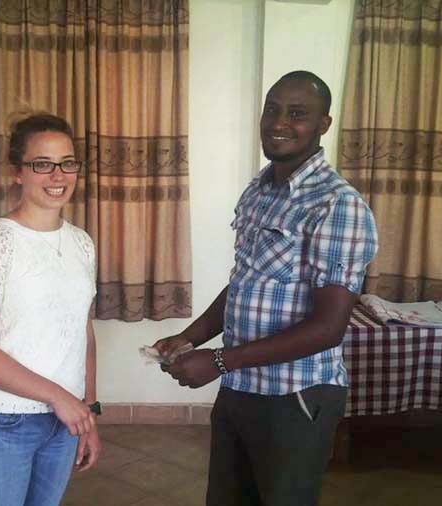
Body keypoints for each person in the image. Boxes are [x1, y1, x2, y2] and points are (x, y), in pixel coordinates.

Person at [153, 71, 378, 506]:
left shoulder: (337, 205)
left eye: (297, 114)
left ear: (323, 125)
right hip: (240, 386)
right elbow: (245, 283)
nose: (279, 122)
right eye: (272, 109)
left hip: (296, 396)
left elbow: (328, 329)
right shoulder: (260, 190)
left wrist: (218, 360)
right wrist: (191, 337)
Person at [0, 113, 100, 506]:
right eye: (42, 164)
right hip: (4, 422)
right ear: (17, 172)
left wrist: (88, 411)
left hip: (64, 421)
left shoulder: (82, 244)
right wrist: (58, 397)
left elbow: (81, 331)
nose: (58, 175)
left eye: (68, 162)